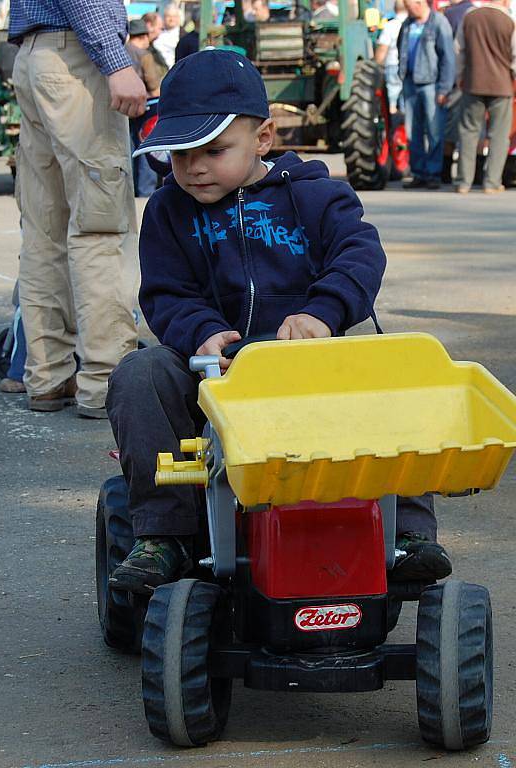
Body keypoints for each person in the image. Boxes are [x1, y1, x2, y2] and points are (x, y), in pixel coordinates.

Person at [106, 49, 451, 594]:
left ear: (263, 138)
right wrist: (200, 330)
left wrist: (322, 312)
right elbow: (166, 292)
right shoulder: (169, 211)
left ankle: (407, 532)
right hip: (214, 375)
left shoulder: (316, 195)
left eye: (213, 150)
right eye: (179, 155)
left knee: (398, 374)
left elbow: (360, 255)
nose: (193, 167)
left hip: (312, 367)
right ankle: (165, 534)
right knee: (140, 373)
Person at [9, 1, 146, 418]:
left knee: (43, 233)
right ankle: (106, 383)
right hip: (76, 59)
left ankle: (48, 376)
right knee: (100, 228)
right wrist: (115, 61)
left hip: (35, 55)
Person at [455, 0, 516, 194]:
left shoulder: (469, 17)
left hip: (473, 83)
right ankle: (492, 182)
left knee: (468, 132)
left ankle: (464, 182)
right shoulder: (509, 20)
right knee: (499, 135)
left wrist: (460, 76)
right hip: (502, 85)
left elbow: (459, 50)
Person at [398, 0, 455, 189]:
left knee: (434, 130)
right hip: (410, 83)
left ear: (420, 3)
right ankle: (418, 173)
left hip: (431, 85)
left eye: (409, 6)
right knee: (413, 132)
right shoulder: (407, 24)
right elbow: (401, 48)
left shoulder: (439, 22)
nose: (408, 10)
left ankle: (433, 174)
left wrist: (444, 88)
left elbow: (448, 57)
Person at [127, 20, 161, 197]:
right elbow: (154, 86)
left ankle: (129, 190)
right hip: (146, 108)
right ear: (144, 36)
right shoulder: (145, 55)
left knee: (128, 150)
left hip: (122, 109)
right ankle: (145, 193)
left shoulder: (121, 52)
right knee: (147, 150)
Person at [441, 0, 473, 184]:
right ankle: (475, 174)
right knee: (474, 130)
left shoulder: (451, 14)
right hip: (477, 79)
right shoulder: (472, 11)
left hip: (457, 79)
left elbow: (454, 50)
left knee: (452, 129)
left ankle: (445, 172)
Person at [374, 0, 408, 114]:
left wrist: (376, 65)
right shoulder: (413, 24)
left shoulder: (390, 26)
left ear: (395, 9)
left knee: (393, 97)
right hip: (410, 66)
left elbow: (383, 49)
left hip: (393, 65)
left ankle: (395, 120)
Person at [143, 12, 169, 82]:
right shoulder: (140, 50)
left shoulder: (153, 50)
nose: (161, 32)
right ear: (149, 26)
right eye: (160, 29)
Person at [153, 3, 181, 69]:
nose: (171, 19)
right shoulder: (157, 33)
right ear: (164, 17)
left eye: (174, 16)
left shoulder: (183, 35)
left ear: (178, 18)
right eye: (168, 16)